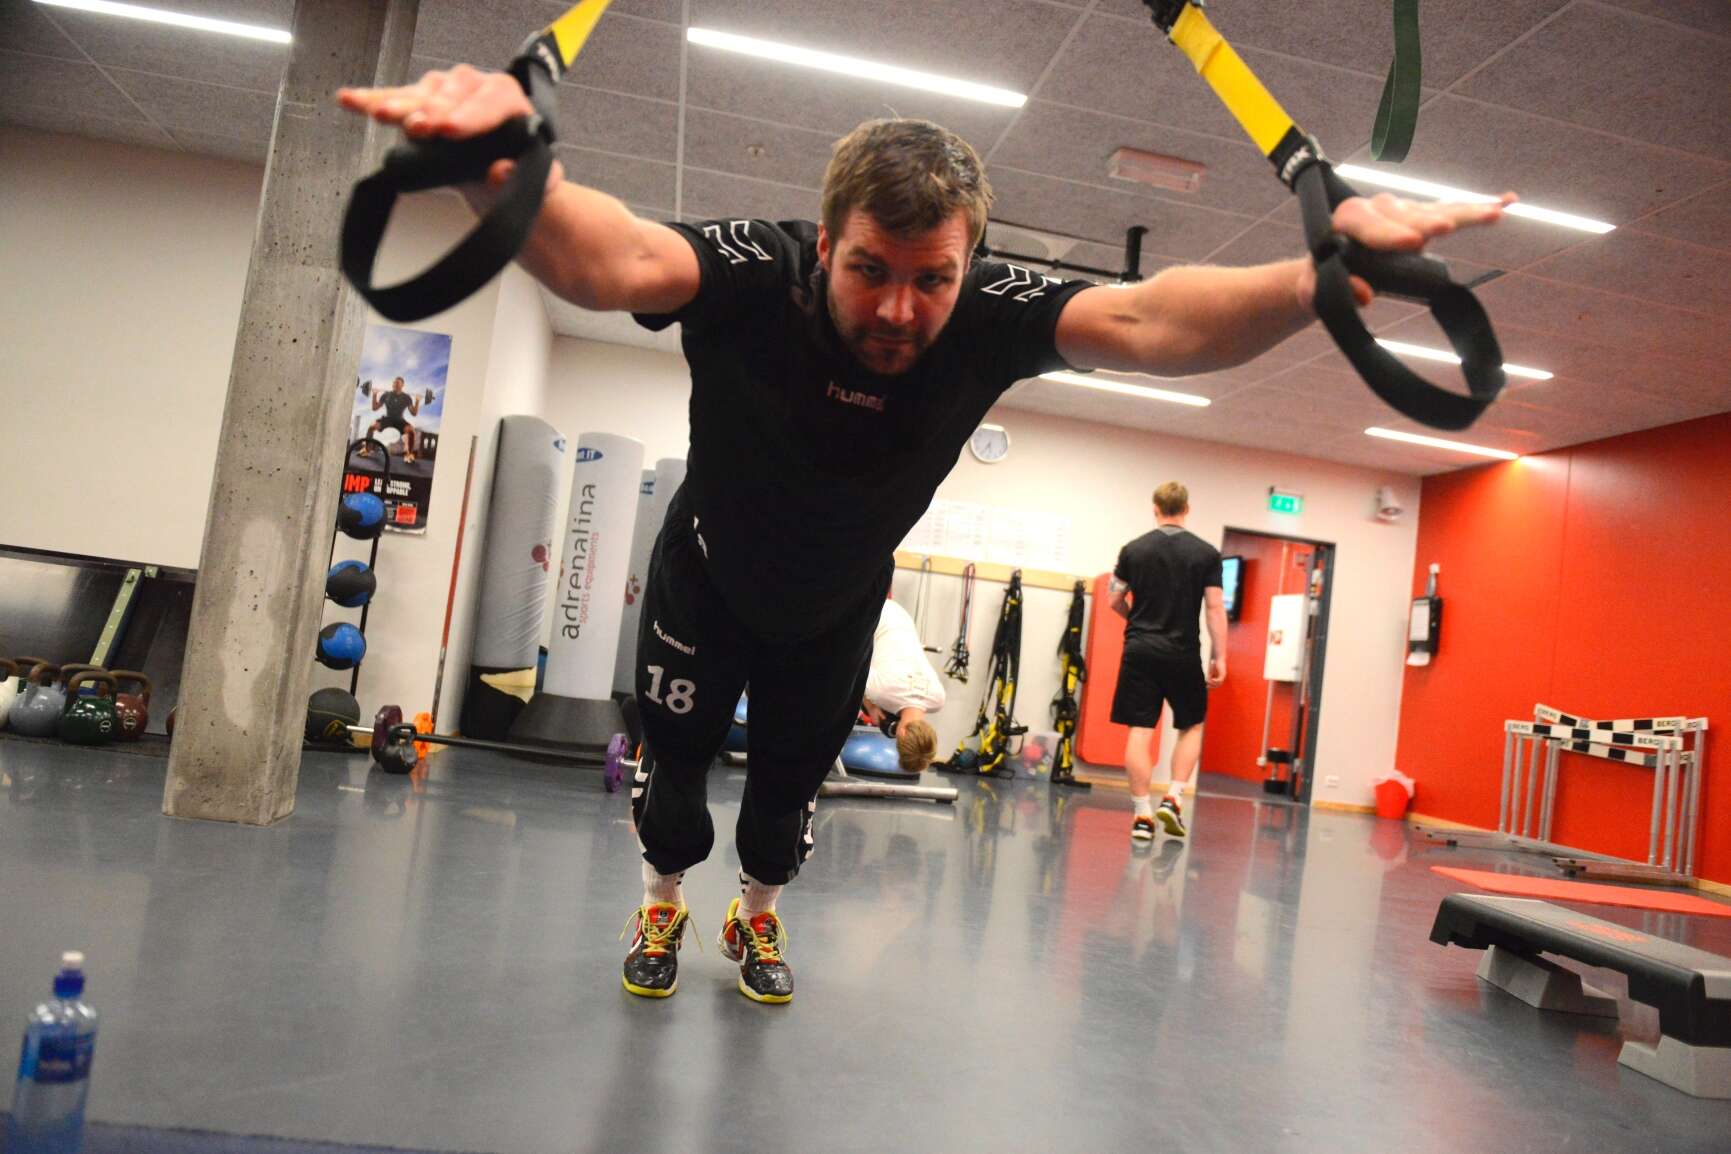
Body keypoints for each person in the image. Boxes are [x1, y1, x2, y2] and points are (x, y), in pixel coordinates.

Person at [337, 64, 1509, 1004]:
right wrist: (500, 173)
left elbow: (1153, 319)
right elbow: (616, 257)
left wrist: (1312, 282)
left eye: (933, 278)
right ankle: (661, 902)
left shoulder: (989, 313)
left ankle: (756, 917)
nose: (899, 307)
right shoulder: (756, 271)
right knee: (677, 787)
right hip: (704, 580)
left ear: (970, 265)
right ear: (825, 241)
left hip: (836, 609)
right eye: (869, 270)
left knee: (782, 807)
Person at [1109, 483, 1226, 842]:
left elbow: (1114, 599)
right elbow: (1215, 608)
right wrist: (1220, 655)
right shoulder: (1206, 554)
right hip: (1182, 652)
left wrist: (1136, 620)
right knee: (1191, 725)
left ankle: (1142, 816)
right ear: (1186, 509)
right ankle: (1173, 797)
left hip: (1139, 650)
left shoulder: (1133, 550)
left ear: (1155, 508)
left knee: (1140, 731)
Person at [860, 596, 945, 773]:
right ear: (902, 733)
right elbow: (852, 672)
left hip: (900, 615)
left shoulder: (938, 699)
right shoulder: (881, 692)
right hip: (873, 612)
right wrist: (871, 706)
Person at [362, 377, 421, 463]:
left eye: (398, 383)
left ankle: (409, 455)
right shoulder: (386, 395)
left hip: (400, 420)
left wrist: (417, 401)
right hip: (387, 419)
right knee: (371, 427)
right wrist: (374, 395)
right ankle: (367, 450)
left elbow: (414, 413)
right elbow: (374, 408)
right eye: (394, 383)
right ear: (392, 384)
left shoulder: (407, 397)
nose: (395, 385)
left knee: (411, 431)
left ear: (402, 385)